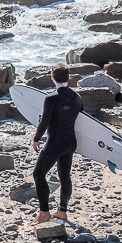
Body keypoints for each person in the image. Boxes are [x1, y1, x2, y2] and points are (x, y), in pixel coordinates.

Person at [30, 63, 84, 226]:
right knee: (65, 176)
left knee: (38, 174)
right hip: (70, 143)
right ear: (69, 78)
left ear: (52, 78)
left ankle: (44, 214)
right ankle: (62, 212)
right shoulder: (77, 98)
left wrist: (36, 138)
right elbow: (82, 121)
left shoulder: (51, 98)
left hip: (55, 143)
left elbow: (44, 122)